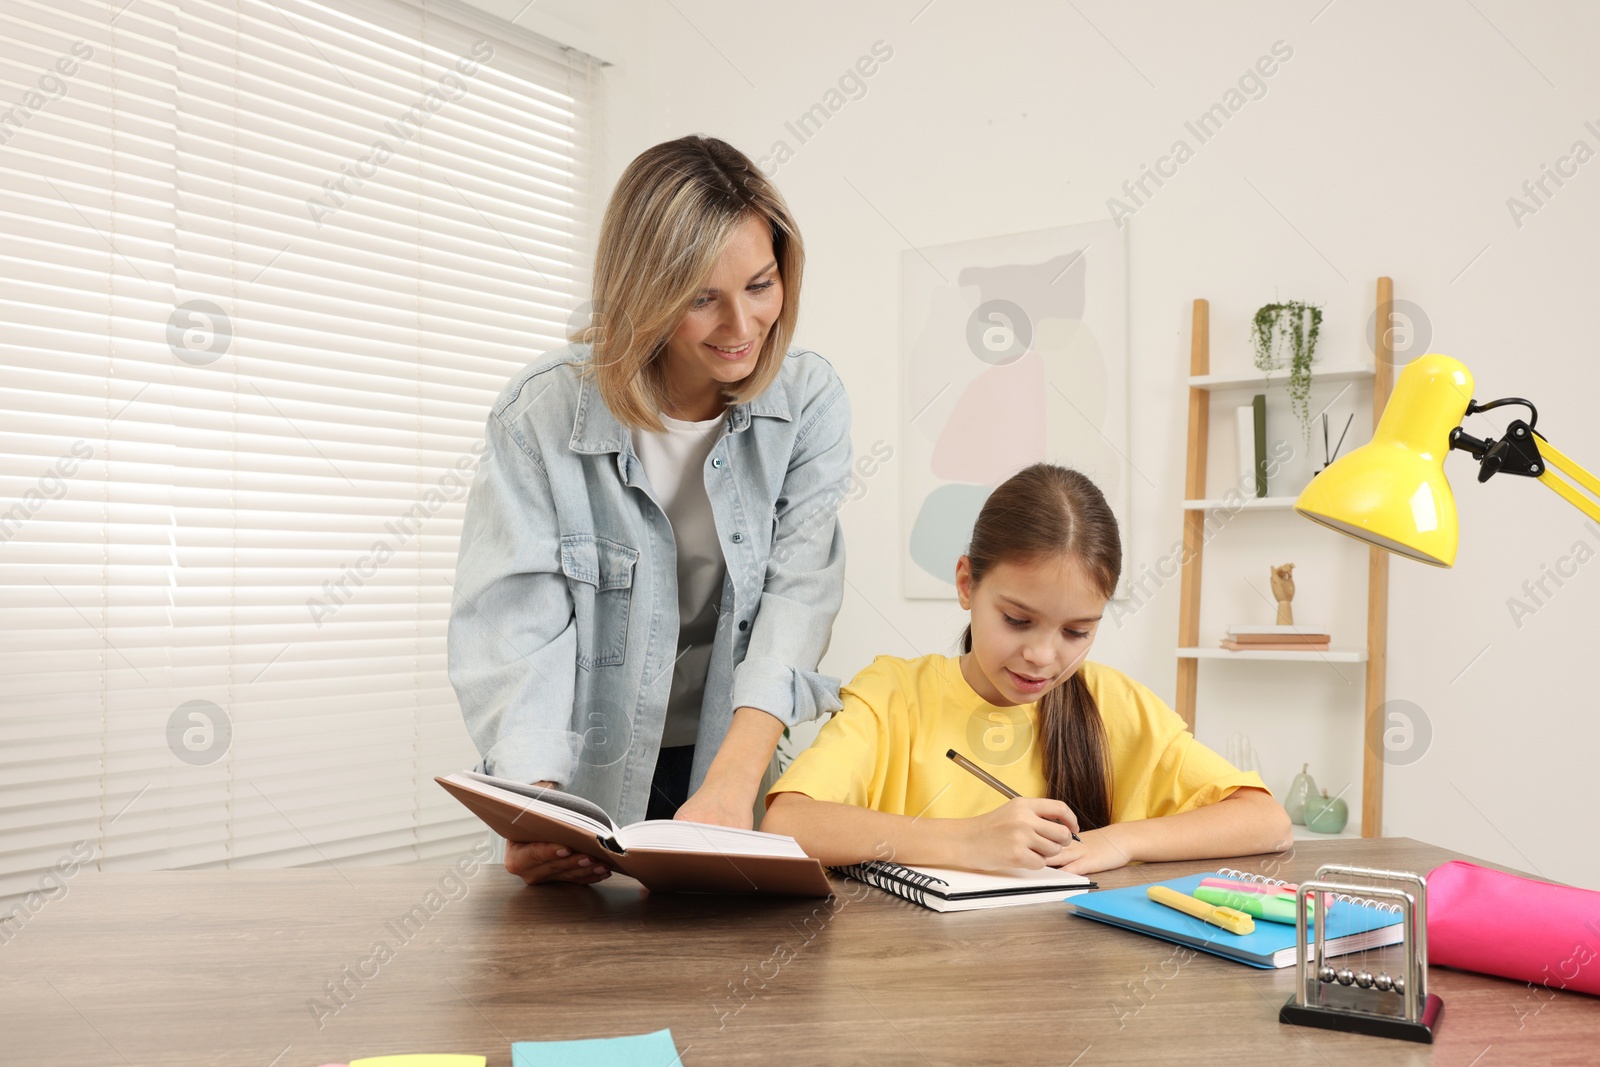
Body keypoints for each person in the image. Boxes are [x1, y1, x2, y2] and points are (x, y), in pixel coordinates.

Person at [449, 136, 852, 886]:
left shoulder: (809, 405)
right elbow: (514, 627)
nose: (741, 327)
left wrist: (731, 788)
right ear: (644, 292)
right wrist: (536, 803)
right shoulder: (539, 416)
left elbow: (799, 599)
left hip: (736, 759)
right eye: (702, 298)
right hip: (588, 777)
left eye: (761, 285)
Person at [763, 464, 1291, 875]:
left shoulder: (1114, 705)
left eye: (1076, 632)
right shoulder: (894, 695)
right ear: (967, 584)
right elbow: (791, 822)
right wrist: (968, 840)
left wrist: (1117, 840)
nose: (1043, 656)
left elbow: (1266, 821)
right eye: (1018, 620)